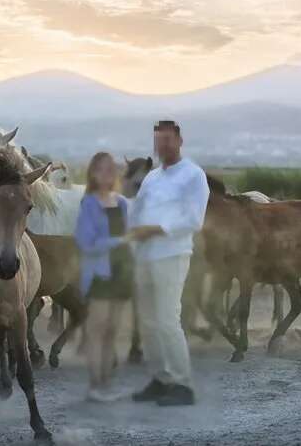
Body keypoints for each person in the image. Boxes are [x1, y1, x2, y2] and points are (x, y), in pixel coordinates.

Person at [128, 120, 210, 407]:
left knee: (166, 320)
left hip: (172, 255)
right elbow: (137, 211)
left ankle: (182, 384)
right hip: (145, 256)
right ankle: (161, 378)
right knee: (148, 322)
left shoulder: (193, 175)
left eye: (167, 140)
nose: (162, 146)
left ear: (179, 141)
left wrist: (156, 229)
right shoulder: (152, 178)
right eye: (158, 141)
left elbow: (194, 219)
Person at [74, 152, 134, 402]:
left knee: (112, 330)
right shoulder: (88, 203)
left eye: (111, 169)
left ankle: (107, 383)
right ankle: (95, 385)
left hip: (122, 272)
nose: (107, 174)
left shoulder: (121, 202)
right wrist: (119, 241)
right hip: (100, 274)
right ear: (93, 174)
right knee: (97, 330)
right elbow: (85, 243)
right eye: (100, 169)